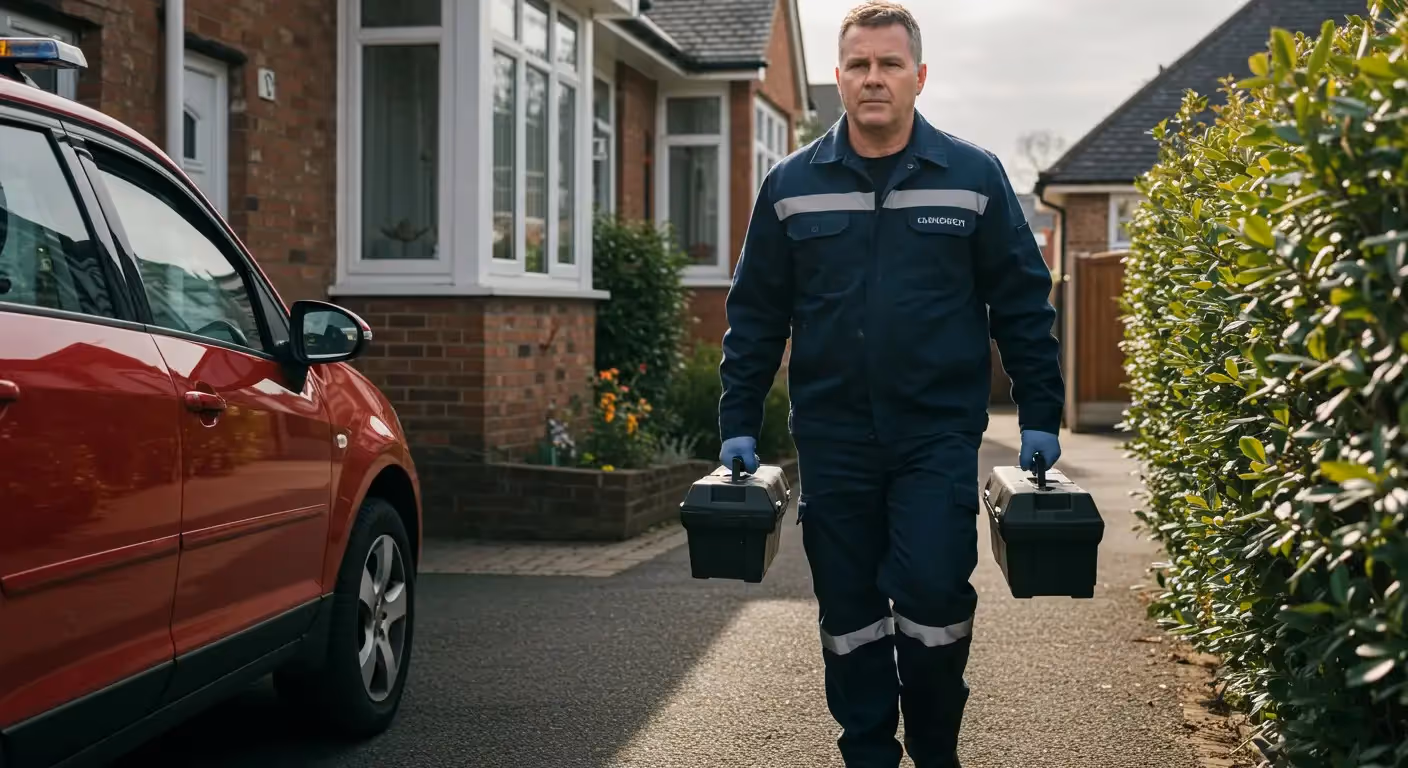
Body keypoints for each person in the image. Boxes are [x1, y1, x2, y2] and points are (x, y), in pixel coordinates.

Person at [716, 2, 1064, 766]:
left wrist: (1041, 411)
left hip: (936, 435)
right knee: (850, 613)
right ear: (839, 77)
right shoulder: (790, 185)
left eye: (890, 64)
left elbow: (1021, 304)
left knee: (936, 596)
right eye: (860, 65)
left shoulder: (973, 177)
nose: (874, 78)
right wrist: (737, 420)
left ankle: (936, 748)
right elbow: (756, 315)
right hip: (832, 437)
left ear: (919, 76)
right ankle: (868, 752)